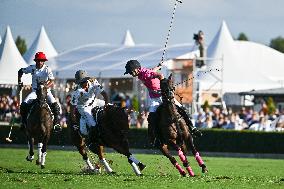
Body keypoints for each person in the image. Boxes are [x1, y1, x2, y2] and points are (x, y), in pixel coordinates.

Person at [124, 60, 202, 146]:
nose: (130, 74)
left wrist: (164, 83)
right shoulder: (141, 73)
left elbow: (160, 75)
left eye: (130, 72)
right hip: (154, 98)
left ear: (136, 69)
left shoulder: (145, 73)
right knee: (151, 116)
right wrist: (158, 66)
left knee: (183, 109)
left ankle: (192, 128)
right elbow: (152, 71)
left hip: (163, 95)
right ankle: (153, 136)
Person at [18, 52, 61, 131]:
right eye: (38, 60)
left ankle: (56, 123)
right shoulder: (32, 68)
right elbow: (20, 71)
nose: (40, 62)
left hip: (46, 92)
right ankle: (23, 122)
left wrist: (45, 87)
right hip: (35, 92)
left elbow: (52, 80)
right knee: (23, 105)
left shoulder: (47, 69)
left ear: (44, 61)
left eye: (41, 61)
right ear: (35, 61)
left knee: (55, 106)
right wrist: (19, 81)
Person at [70, 70, 108, 143]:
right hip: (83, 107)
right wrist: (72, 116)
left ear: (86, 80)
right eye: (79, 82)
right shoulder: (76, 91)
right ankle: (93, 140)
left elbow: (104, 93)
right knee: (93, 124)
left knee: (111, 107)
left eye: (82, 82)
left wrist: (106, 104)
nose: (81, 84)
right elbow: (72, 105)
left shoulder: (94, 82)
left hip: (95, 101)